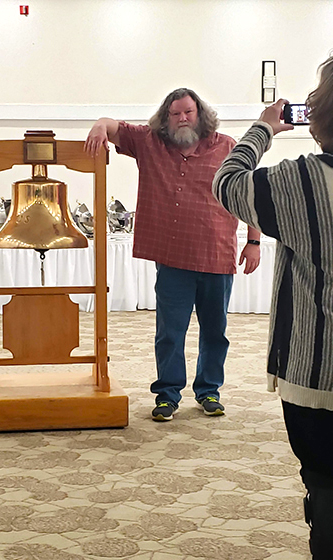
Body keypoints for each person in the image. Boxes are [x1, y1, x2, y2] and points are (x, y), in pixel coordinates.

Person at [212, 57, 333, 559]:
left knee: (324, 483)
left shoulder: (297, 181)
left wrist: (263, 128)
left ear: (318, 117)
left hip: (314, 370)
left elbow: (228, 183)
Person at [85, 88, 261, 421]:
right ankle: (167, 395)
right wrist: (99, 126)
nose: (182, 119)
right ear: (167, 118)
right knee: (170, 333)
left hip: (215, 256)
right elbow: (112, 126)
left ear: (200, 114)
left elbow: (246, 193)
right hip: (172, 258)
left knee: (214, 333)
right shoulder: (150, 142)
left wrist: (253, 241)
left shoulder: (225, 146)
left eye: (188, 112)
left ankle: (209, 392)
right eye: (175, 114)